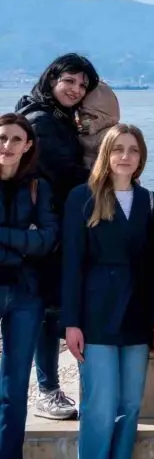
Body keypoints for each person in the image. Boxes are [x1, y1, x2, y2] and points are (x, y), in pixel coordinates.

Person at [61, 124, 154, 459]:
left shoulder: (151, 202)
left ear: (141, 158)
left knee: (130, 405)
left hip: (138, 315)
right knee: (100, 406)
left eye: (133, 150)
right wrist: (71, 321)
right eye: (118, 149)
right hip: (97, 314)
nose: (125, 156)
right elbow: (71, 263)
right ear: (106, 153)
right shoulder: (82, 198)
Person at [16, 53, 100, 422]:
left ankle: (48, 387)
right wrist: (107, 177)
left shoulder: (58, 118)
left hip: (50, 225)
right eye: (70, 80)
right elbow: (62, 174)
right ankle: (47, 390)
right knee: (47, 311)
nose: (76, 89)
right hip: (44, 229)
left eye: (83, 85)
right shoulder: (42, 121)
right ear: (52, 78)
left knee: (49, 308)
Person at [0, 114, 58, 459]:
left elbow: (47, 240)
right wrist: (22, 240)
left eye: (15, 139)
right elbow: (32, 239)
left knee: (13, 391)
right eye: (2, 138)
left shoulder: (40, 188)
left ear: (28, 146)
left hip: (25, 295)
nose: (7, 146)